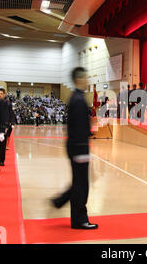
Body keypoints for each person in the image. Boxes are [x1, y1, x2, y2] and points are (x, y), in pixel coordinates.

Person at [51, 67, 98, 230]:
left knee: (79, 183)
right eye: (86, 78)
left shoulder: (77, 97)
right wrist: (81, 152)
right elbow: (77, 128)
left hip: (78, 145)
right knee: (81, 186)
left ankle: (62, 203)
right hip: (79, 147)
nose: (88, 81)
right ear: (79, 80)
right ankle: (80, 220)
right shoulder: (78, 99)